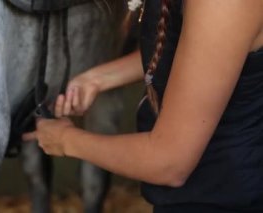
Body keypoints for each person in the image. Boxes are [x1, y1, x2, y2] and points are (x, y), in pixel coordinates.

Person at [23, 0, 263, 212]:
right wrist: (99, 79)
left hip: (223, 195)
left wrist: (65, 140)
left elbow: (170, 162)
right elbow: (196, 52)